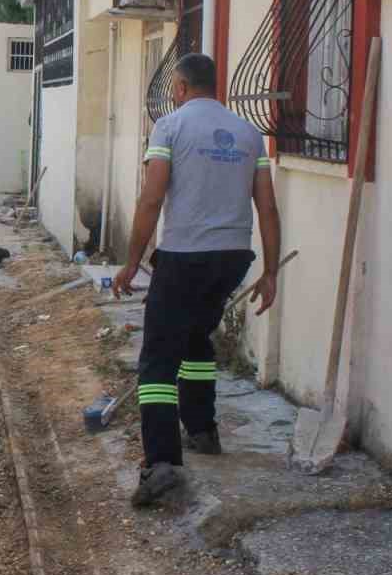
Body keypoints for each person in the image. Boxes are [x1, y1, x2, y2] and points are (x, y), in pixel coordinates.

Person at [113, 53, 281, 507]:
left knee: (157, 361)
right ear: (216, 86)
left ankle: (162, 463)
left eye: (175, 90)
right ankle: (203, 430)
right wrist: (270, 271)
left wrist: (131, 262)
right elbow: (266, 207)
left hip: (185, 255)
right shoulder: (249, 134)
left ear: (182, 88)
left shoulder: (170, 127)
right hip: (233, 258)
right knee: (195, 342)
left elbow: (151, 200)